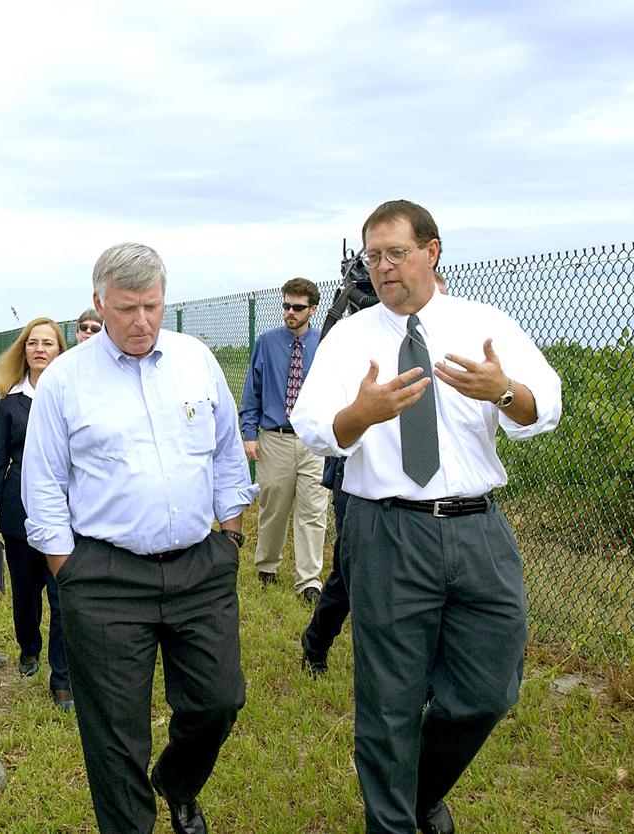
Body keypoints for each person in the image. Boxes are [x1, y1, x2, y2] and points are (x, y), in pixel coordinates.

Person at [291, 200, 561, 834]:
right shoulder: (349, 338)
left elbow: (542, 407)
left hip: (478, 527)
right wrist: (363, 414)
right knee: (388, 700)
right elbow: (312, 428)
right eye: (373, 256)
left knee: (490, 690)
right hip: (387, 529)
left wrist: (502, 391)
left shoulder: (483, 323)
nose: (383, 267)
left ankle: (415, 796)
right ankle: (392, 824)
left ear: (432, 251)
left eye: (396, 253)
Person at [22, 242, 256, 834]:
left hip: (199, 567)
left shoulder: (195, 359)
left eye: (152, 306)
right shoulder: (67, 380)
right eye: (126, 309)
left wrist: (229, 533)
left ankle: (178, 782)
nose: (142, 321)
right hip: (103, 576)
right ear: (99, 304)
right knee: (115, 731)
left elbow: (229, 450)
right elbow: (44, 481)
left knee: (218, 700)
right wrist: (64, 568)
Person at [301, 272, 450, 676]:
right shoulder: (363, 344)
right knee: (350, 573)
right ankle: (316, 642)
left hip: (424, 501)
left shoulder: (451, 345)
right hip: (362, 484)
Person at [0, 317, 73, 711]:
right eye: (32, 343)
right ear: (24, 350)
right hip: (19, 508)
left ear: (59, 351)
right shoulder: (7, 398)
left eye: (47, 343)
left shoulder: (74, 394)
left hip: (66, 509)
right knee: (26, 593)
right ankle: (28, 647)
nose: (39, 349)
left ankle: (63, 678)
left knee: (64, 594)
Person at [240, 277, 329, 602]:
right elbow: (253, 390)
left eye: (297, 307)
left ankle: (309, 580)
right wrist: (249, 434)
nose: (290, 312)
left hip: (313, 440)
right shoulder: (267, 342)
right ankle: (267, 565)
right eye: (286, 306)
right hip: (275, 437)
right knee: (273, 505)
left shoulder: (325, 343)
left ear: (313, 309)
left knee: (313, 509)